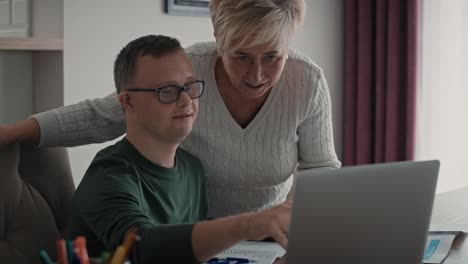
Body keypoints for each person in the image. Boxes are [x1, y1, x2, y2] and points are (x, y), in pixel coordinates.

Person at [0, 0, 340, 218]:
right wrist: (11, 132)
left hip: (267, 238)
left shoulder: (307, 81)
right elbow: (104, 115)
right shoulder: (187, 70)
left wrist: (295, 229)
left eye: (272, 57)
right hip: (184, 231)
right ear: (218, 39)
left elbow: (321, 169)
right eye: (241, 56)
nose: (256, 75)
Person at [68, 34, 291, 263]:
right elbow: (140, 251)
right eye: (167, 91)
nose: (186, 100)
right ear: (128, 102)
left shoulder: (193, 169)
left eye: (190, 86)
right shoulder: (109, 176)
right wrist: (247, 225)